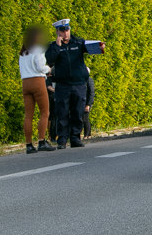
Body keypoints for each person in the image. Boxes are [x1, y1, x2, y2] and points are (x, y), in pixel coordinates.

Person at [45, 19, 105, 149]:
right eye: (62, 31)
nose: (65, 33)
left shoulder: (78, 42)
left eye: (67, 30)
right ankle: (62, 140)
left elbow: (92, 48)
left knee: (78, 112)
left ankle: (75, 138)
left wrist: (100, 47)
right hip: (63, 85)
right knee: (62, 113)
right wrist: (57, 45)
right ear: (57, 32)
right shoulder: (53, 46)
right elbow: (49, 59)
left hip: (78, 84)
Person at [19, 27, 55, 154]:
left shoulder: (22, 53)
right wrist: (48, 70)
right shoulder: (38, 50)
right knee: (45, 112)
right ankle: (41, 141)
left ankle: (28, 145)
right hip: (37, 82)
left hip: (25, 83)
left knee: (28, 115)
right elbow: (40, 67)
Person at [83, 68, 95, 138]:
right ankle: (88, 134)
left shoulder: (89, 80)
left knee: (85, 118)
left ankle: (87, 135)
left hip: (87, 102)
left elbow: (91, 93)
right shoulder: (83, 80)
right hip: (83, 102)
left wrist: (88, 104)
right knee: (84, 118)